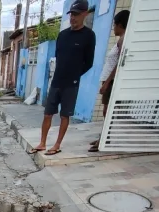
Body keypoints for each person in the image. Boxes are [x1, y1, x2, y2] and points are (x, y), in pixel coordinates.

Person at [30, 0, 95, 156]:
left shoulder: (88, 35)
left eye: (77, 14)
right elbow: (59, 56)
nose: (73, 18)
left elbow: (89, 62)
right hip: (57, 81)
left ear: (85, 14)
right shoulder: (63, 35)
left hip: (71, 84)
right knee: (47, 113)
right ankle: (42, 143)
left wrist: (74, 75)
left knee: (65, 115)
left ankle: (57, 145)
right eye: (72, 14)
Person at [89, 9, 130, 152]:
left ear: (120, 24)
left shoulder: (123, 40)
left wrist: (107, 83)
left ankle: (104, 139)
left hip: (111, 82)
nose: (113, 28)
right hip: (108, 81)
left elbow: (119, 64)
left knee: (107, 112)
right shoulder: (121, 39)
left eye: (114, 24)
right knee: (106, 112)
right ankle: (103, 137)